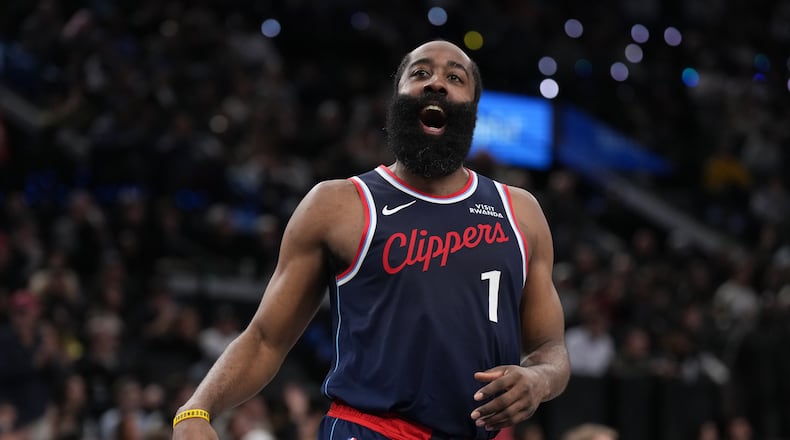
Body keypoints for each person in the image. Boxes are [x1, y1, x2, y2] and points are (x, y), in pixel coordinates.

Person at [172, 39, 570, 440]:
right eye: (420, 73)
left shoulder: (521, 213)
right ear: (396, 98)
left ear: (472, 108)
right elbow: (265, 339)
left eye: (455, 77)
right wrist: (195, 410)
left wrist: (538, 379)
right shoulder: (338, 205)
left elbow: (551, 350)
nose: (436, 83)